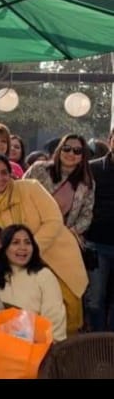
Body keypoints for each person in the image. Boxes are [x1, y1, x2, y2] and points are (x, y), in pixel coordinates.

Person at [0, 153, 88, 335]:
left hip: (58, 256)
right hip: (22, 265)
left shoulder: (30, 188)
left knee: (66, 312)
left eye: (4, 172)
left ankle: (65, 348)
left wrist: (30, 249)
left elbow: (54, 220)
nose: (0, 178)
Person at [0, 224, 67, 342]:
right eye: (15, 243)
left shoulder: (44, 275)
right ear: (4, 247)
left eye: (27, 243)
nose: (23, 247)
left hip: (34, 343)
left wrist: (46, 345)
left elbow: (55, 319)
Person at [23, 133, 95, 245]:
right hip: (29, 232)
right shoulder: (39, 169)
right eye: (66, 148)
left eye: (77, 151)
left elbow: (86, 216)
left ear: (83, 156)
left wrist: (70, 233)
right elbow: (21, 194)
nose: (71, 153)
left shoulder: (86, 183)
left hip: (61, 239)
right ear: (60, 150)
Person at [84, 127, 114, 332]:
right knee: (95, 300)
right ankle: (96, 342)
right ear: (110, 140)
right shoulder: (92, 169)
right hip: (96, 244)